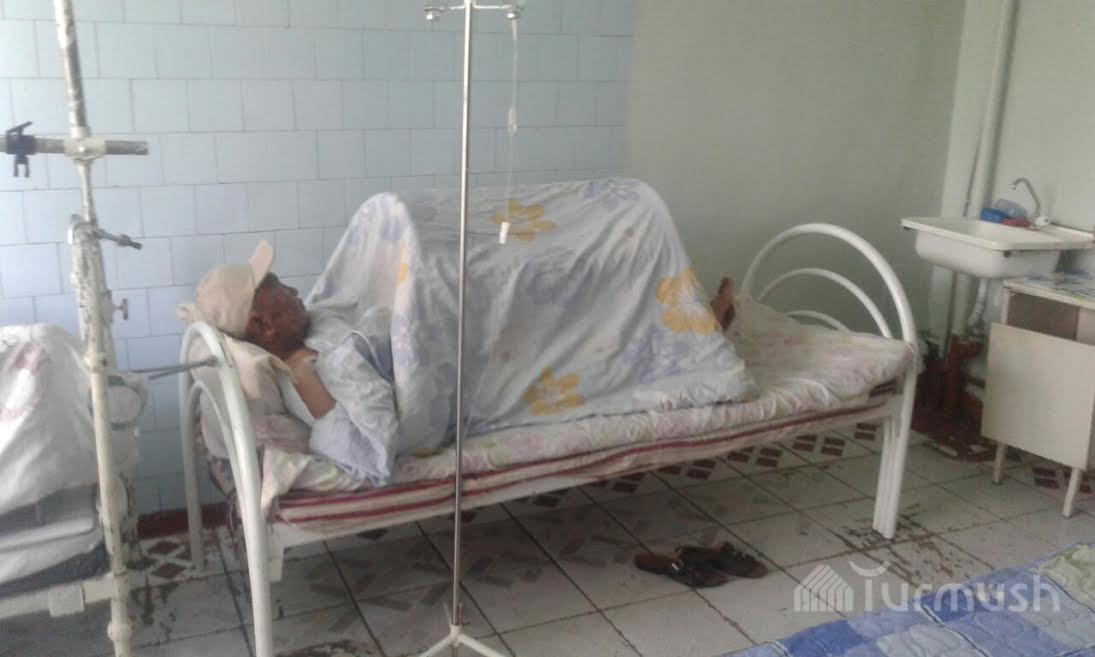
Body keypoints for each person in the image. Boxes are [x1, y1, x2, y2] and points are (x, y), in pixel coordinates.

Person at [193, 241, 741, 426]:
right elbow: (368, 442)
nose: (293, 288)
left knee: (577, 296)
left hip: (465, 329)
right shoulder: (322, 364)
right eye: (278, 288)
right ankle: (698, 332)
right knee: (582, 328)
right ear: (265, 326)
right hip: (481, 361)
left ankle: (691, 320)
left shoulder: (314, 323)